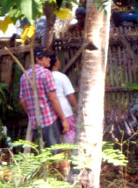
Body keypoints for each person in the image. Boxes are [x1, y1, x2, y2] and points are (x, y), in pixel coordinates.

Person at [18, 48, 69, 153]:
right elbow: (53, 98)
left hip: (35, 123)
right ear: (38, 59)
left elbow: (22, 101)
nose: (49, 59)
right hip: (49, 121)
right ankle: (65, 169)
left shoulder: (24, 76)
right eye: (46, 57)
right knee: (58, 154)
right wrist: (63, 119)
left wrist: (32, 116)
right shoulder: (46, 73)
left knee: (44, 154)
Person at [47, 51, 81, 182]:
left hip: (51, 114)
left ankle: (59, 166)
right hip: (65, 112)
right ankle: (71, 165)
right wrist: (77, 107)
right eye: (58, 60)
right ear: (55, 63)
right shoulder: (61, 77)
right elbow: (70, 96)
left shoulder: (45, 76)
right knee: (70, 135)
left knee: (57, 141)